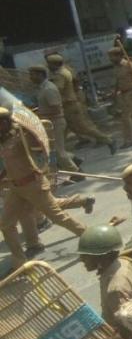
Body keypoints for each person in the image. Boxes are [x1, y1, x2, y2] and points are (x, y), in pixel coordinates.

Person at [0, 107, 86, 269]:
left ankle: (87, 234)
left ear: (5, 122)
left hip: (33, 184)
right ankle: (20, 261)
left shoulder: (22, 137)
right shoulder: (3, 141)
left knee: (56, 216)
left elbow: (40, 149)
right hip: (15, 187)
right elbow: (10, 164)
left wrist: (30, 131)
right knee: (6, 224)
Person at [45, 53, 116, 154]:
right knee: (62, 130)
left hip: (69, 105)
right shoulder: (65, 71)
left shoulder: (60, 75)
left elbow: (57, 89)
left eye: (49, 64)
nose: (48, 66)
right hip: (67, 105)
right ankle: (59, 153)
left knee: (83, 127)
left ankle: (108, 140)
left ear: (54, 64)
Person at [29, 65, 78, 172]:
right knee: (52, 150)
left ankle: (76, 173)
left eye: (32, 75)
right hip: (50, 122)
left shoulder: (49, 89)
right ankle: (74, 159)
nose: (30, 78)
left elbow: (56, 108)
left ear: (40, 75)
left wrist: (40, 114)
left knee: (58, 152)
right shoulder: (42, 88)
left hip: (56, 122)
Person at [108, 46, 132, 149]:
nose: (110, 59)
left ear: (118, 56)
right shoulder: (116, 67)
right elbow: (118, 81)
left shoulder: (128, 65)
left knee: (125, 117)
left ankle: (130, 140)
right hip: (123, 94)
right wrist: (115, 92)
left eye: (112, 56)